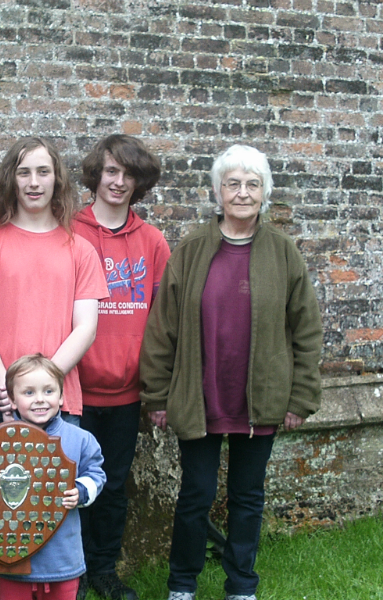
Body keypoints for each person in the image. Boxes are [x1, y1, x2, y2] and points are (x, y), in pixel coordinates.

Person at [140, 144, 323, 600]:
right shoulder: (192, 249)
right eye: (233, 184)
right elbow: (162, 328)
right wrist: (158, 396)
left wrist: (300, 398)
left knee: (247, 497)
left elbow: (307, 330)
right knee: (195, 496)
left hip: (259, 399)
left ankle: (241, 585)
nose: (242, 193)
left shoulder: (283, 253)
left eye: (252, 184)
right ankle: (181, 584)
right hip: (200, 396)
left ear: (265, 193)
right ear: (218, 192)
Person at [0, 137, 109, 432]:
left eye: (43, 172)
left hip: (57, 402)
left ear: (57, 179)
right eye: (24, 172)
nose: (33, 182)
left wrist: (42, 389)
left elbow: (86, 329)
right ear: (12, 180)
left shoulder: (81, 250)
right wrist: (10, 391)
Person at [72, 134, 170, 600]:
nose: (119, 181)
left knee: (111, 488)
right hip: (72, 390)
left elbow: (162, 318)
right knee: (69, 486)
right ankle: (69, 568)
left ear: (139, 182)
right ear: (97, 174)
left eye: (129, 174)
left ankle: (104, 569)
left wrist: (156, 387)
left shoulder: (151, 241)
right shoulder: (68, 231)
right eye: (111, 171)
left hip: (126, 393)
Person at [0, 354, 106, 600]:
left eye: (48, 391)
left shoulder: (80, 439)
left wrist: (81, 490)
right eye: (28, 393)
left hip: (63, 559)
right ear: (12, 400)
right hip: (13, 558)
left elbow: (96, 473)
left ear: (61, 396)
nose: (39, 400)